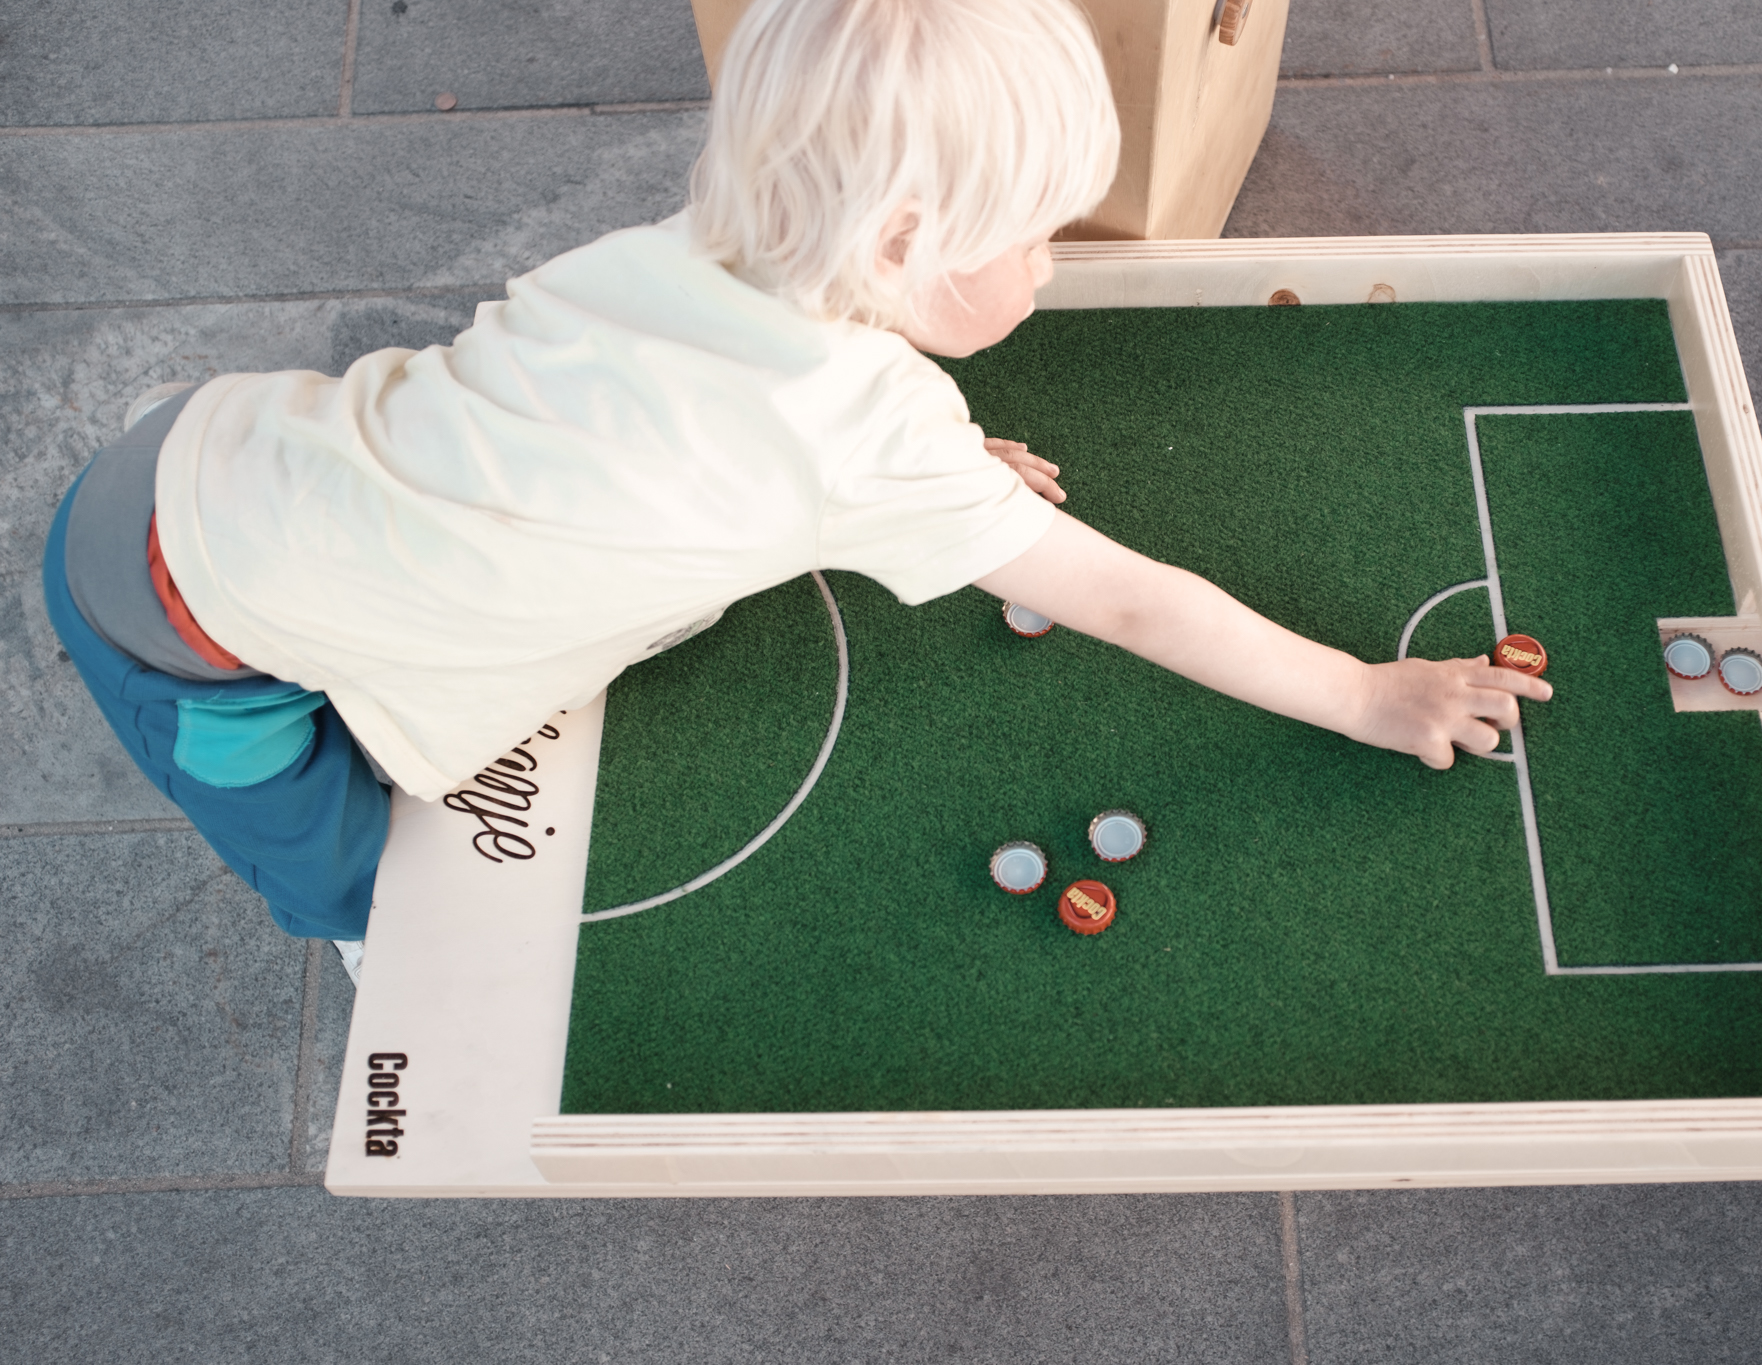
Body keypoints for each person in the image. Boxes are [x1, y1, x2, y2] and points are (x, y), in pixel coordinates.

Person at [42, 0, 1549, 981]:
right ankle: (390, 961)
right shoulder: (866, 434)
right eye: (1032, 236)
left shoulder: (699, 236)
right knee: (366, 889)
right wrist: (1365, 692)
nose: (1049, 266)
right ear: (897, 243)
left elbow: (707, 425)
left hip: (227, 453)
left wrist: (943, 475)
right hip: (192, 629)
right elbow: (1136, 604)